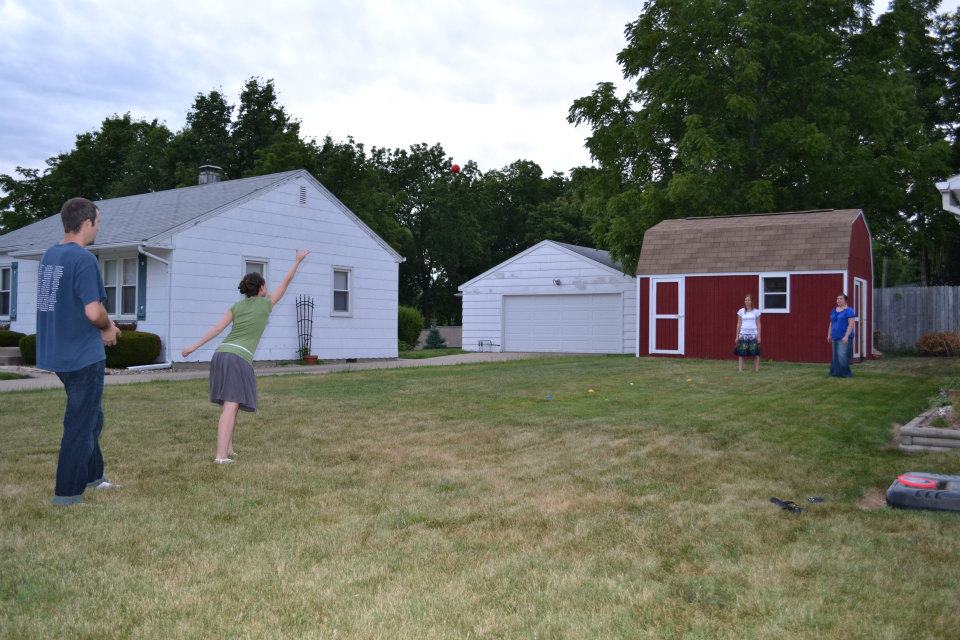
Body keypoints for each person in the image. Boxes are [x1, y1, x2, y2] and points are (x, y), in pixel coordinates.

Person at [181, 249, 310, 463]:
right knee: (232, 404)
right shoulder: (267, 303)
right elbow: (286, 282)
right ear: (262, 288)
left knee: (231, 404)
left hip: (221, 354)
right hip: (237, 358)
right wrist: (297, 261)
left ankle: (229, 448)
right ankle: (220, 456)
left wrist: (193, 347)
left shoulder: (237, 306)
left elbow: (217, 329)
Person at [37, 197, 121, 506]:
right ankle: (68, 494)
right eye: (98, 222)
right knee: (80, 424)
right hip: (82, 355)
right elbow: (93, 312)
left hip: (59, 353)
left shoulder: (50, 255)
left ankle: (94, 476)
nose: (99, 228)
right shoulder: (84, 259)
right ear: (87, 223)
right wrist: (108, 327)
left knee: (92, 418)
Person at [828, 293, 857, 378]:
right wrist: (829, 334)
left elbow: (851, 324)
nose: (838, 300)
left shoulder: (849, 310)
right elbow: (831, 323)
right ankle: (834, 373)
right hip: (835, 336)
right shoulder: (834, 310)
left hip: (844, 337)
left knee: (842, 356)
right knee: (835, 357)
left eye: (841, 299)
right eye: (837, 299)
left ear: (845, 300)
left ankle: (846, 374)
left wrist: (846, 336)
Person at [733, 294, 761, 372]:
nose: (747, 301)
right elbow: (739, 324)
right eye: (746, 300)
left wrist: (759, 336)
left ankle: (756, 370)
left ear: (752, 301)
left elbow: (758, 324)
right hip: (743, 334)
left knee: (755, 353)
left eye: (748, 300)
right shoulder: (741, 311)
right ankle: (740, 369)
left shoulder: (756, 312)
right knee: (741, 352)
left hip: (753, 334)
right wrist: (737, 336)